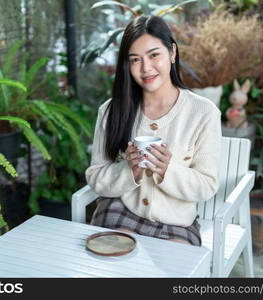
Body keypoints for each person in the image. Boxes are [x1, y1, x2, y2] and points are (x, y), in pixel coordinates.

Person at [85, 15, 222, 246]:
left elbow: (207, 185)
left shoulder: (203, 113)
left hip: (177, 221)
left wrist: (168, 170)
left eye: (154, 55)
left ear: (172, 53)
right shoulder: (111, 110)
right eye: (135, 60)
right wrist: (130, 171)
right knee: (116, 268)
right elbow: (96, 176)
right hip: (120, 210)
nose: (146, 68)